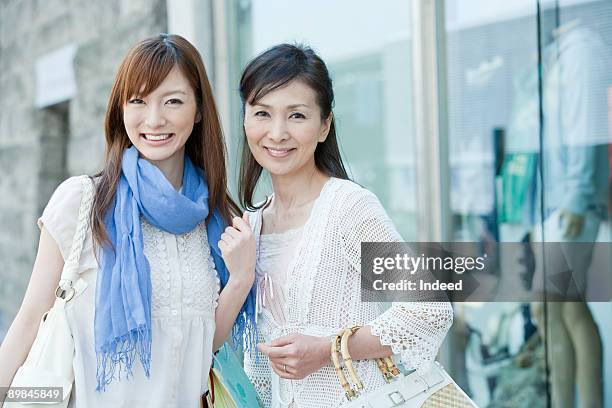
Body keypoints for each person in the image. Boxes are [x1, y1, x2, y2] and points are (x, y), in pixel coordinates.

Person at [0, 34, 257, 407]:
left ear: (199, 110)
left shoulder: (217, 221)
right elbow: (28, 322)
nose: (154, 119)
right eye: (138, 101)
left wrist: (242, 279)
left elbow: (202, 348)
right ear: (121, 108)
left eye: (173, 101)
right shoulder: (83, 202)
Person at [237, 43, 454, 407]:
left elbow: (429, 308)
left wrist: (329, 350)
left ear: (324, 126)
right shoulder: (251, 225)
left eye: (296, 116)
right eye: (262, 113)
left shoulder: (348, 208)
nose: (276, 133)